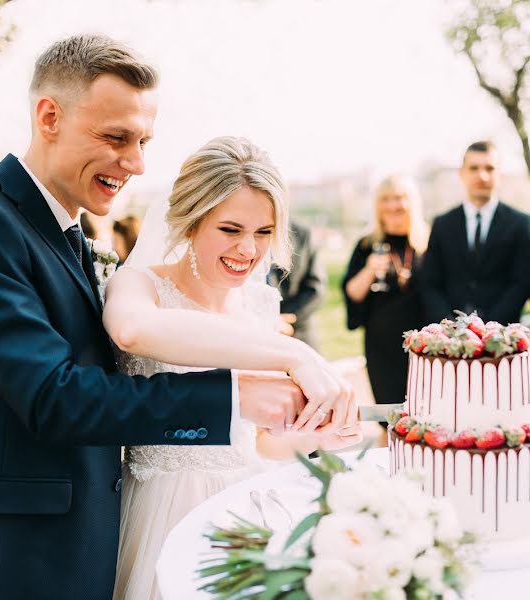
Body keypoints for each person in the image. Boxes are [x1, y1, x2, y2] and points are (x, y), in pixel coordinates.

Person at [0, 35, 351, 600]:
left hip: (88, 545)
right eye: (116, 138)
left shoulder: (74, 234)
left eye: (142, 142)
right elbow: (54, 397)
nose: (135, 163)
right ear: (48, 117)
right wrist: (236, 395)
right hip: (6, 556)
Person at [105, 137, 361, 599]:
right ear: (190, 221)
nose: (249, 249)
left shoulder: (262, 301)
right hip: (162, 515)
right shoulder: (138, 286)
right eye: (230, 229)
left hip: (246, 508)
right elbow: (130, 330)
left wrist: (316, 438)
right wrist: (294, 355)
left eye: (264, 232)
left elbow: (259, 442)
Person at [420, 140, 530, 324]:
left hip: (502, 336)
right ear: (461, 173)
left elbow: (522, 283)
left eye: (489, 168)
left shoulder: (521, 223)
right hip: (449, 336)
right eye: (474, 168)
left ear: (500, 174)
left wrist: (489, 328)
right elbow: (430, 283)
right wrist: (448, 325)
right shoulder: (442, 224)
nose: (482, 176)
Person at [343, 175, 428, 405]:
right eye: (386, 199)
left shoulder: (428, 242)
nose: (393, 205)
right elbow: (352, 292)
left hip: (425, 344)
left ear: (412, 202)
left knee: (425, 407)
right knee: (388, 413)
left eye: (399, 198)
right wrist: (369, 269)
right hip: (382, 346)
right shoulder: (366, 244)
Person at [267, 220, 328, 350]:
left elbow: (316, 289)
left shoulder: (303, 233)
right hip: (254, 340)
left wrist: (284, 319)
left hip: (297, 336)